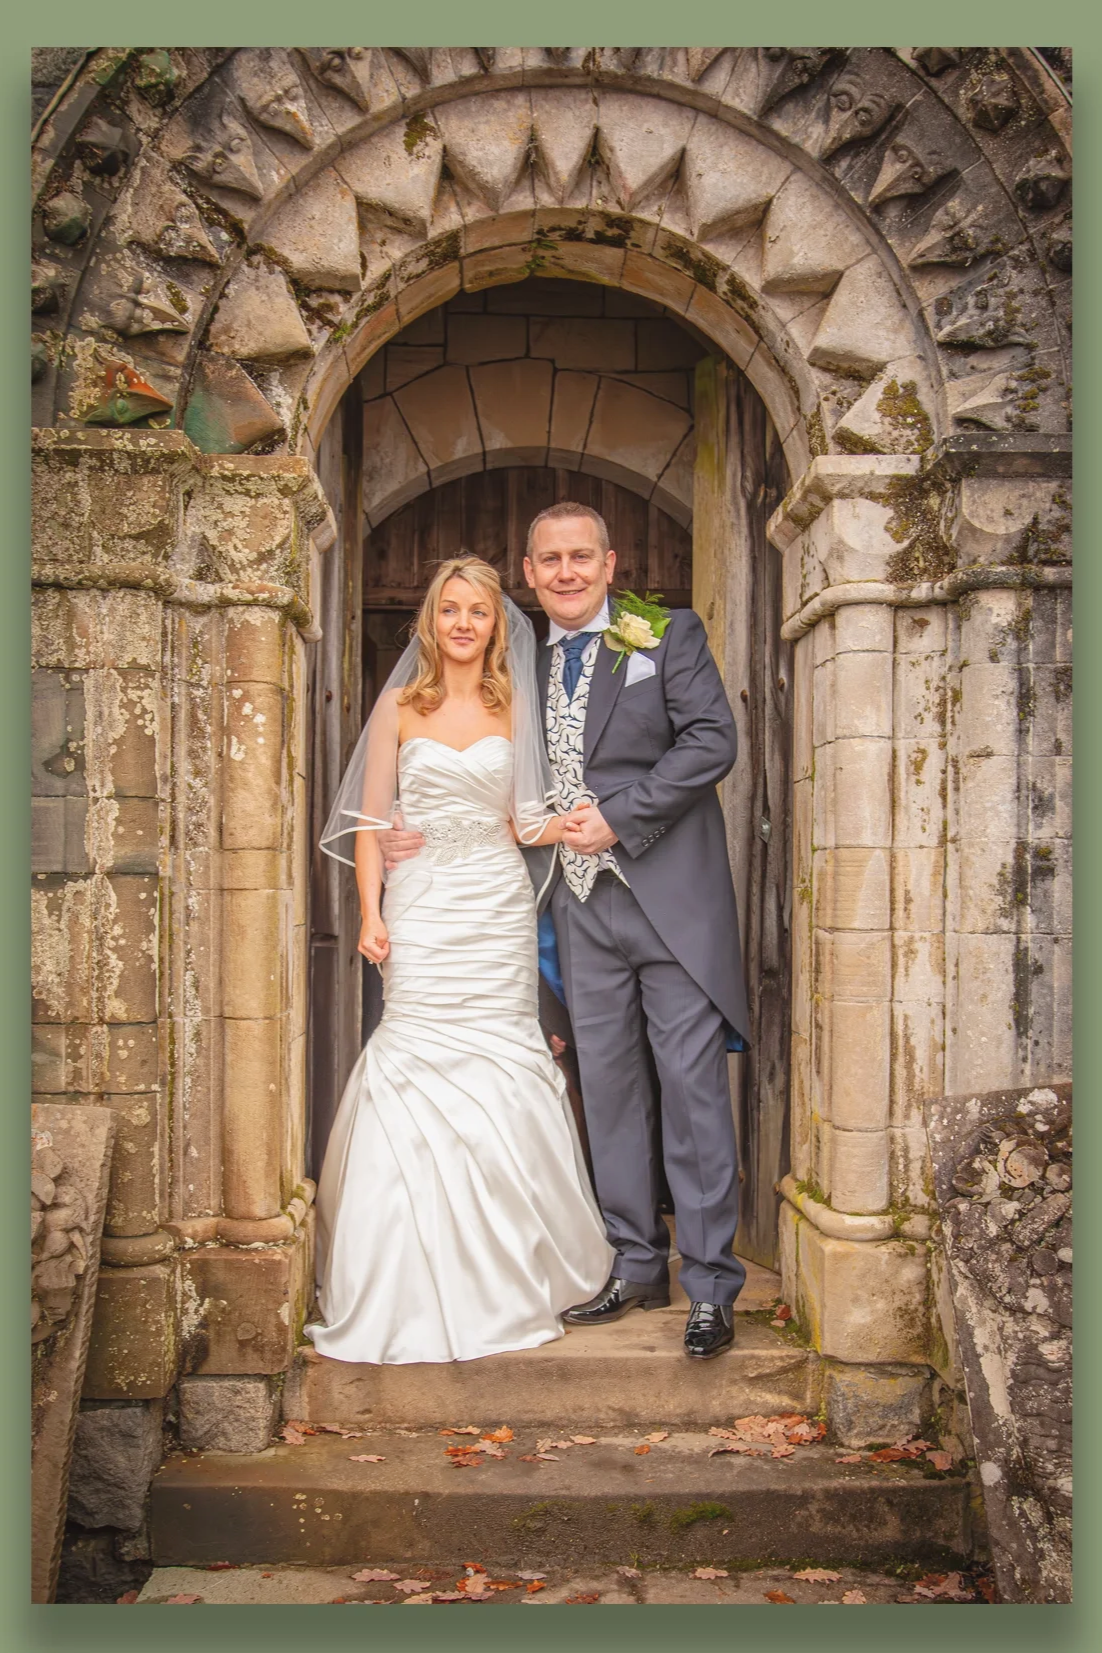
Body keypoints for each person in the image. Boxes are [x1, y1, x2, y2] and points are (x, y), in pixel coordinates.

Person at [386, 503, 750, 1359]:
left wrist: (619, 817)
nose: (566, 571)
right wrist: (407, 826)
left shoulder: (663, 632)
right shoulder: (516, 657)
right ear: (528, 567)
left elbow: (711, 741)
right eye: (549, 559)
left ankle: (708, 1283)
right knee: (611, 1086)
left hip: (668, 897)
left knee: (691, 1090)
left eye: (581, 556)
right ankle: (634, 1262)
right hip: (572, 908)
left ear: (610, 561)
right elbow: (462, 754)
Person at [305, 555, 613, 1365]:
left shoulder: (520, 708)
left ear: (494, 624)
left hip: (496, 905)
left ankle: (514, 1264)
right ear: (431, 624)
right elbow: (373, 823)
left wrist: (577, 822)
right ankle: (396, 1271)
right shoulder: (400, 708)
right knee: (412, 1055)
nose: (465, 623)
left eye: (479, 610)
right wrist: (371, 912)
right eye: (451, 610)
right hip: (421, 902)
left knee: (503, 1061)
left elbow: (530, 817)